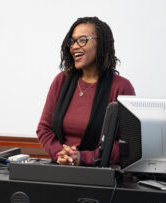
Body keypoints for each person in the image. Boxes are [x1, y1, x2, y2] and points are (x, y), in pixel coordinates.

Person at [36, 17, 135, 166]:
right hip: (59, 169)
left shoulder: (121, 87)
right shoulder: (61, 81)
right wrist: (62, 155)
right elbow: (44, 128)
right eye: (73, 41)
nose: (74, 46)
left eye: (82, 40)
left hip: (99, 175)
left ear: (101, 44)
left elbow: (127, 143)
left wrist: (83, 158)